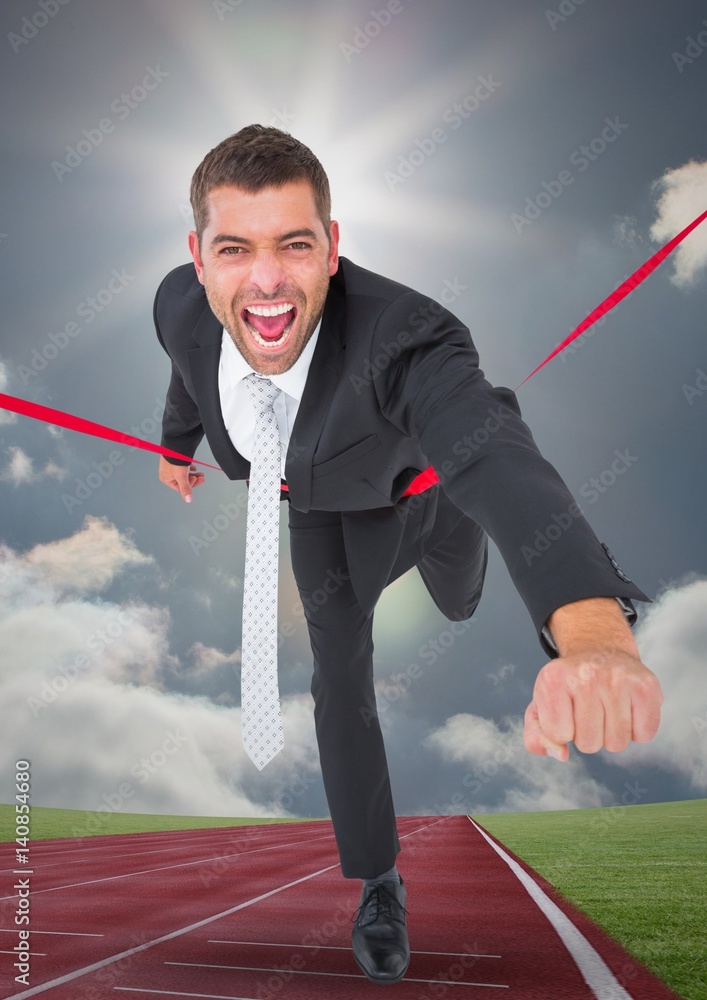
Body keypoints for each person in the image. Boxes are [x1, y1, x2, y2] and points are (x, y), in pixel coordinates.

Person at [155, 125, 663, 986]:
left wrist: (595, 638)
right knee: (337, 680)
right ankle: (378, 880)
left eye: (295, 245)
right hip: (311, 510)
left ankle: (453, 550)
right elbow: (188, 366)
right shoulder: (180, 303)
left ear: (333, 249)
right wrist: (176, 445)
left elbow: (492, 450)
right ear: (198, 257)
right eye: (235, 248)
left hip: (426, 494)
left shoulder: (408, 334)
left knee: (459, 596)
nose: (267, 279)